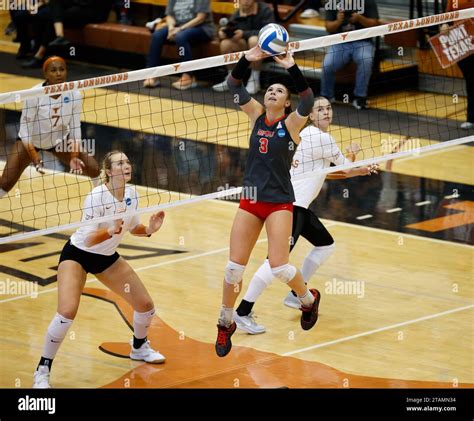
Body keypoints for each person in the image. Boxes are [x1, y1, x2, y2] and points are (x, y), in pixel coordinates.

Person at [233, 96, 379, 333]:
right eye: (320, 109)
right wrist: (354, 158)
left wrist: (357, 170)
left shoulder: (305, 135)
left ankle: (296, 294)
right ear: (310, 115)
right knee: (274, 263)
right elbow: (343, 168)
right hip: (291, 207)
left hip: (297, 207)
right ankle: (242, 311)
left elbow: (325, 172)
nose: (326, 112)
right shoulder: (323, 138)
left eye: (329, 108)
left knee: (325, 244)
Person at [215, 46, 318, 358]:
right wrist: (248, 57)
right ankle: (225, 322)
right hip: (251, 199)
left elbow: (309, 100)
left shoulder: (291, 125)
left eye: (279, 91)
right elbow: (234, 84)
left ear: (286, 103)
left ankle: (308, 299)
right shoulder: (256, 115)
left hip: (279, 202)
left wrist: (292, 67)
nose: (273, 92)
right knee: (233, 268)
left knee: (280, 266)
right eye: (270, 89)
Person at [33, 151, 166, 388]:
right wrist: (110, 231)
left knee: (146, 306)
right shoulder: (96, 197)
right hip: (78, 255)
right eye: (119, 163)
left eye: (127, 161)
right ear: (108, 171)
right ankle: (42, 369)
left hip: (105, 258)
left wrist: (150, 229)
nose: (126, 165)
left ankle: (138, 347)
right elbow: (88, 239)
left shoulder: (132, 195)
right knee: (67, 312)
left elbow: (134, 227)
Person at [0, 56, 100, 199]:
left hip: (59, 141)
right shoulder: (34, 94)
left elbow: (75, 129)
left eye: (62, 69)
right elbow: (25, 131)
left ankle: (102, 204)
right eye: (53, 70)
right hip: (30, 142)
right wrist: (34, 156)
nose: (58, 73)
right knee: (6, 183)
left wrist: (73, 157)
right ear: (45, 74)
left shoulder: (75, 94)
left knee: (94, 168)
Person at [143, 0, 215, 90]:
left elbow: (201, 18)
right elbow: (169, 15)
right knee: (157, 35)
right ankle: (153, 74)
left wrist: (180, 29)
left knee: (181, 37)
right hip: (178, 27)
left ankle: (188, 76)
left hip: (202, 28)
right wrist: (171, 29)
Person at [321, 0, 379, 110]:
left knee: (365, 60)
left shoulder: (368, 2)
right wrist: (338, 21)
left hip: (363, 41)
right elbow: (328, 27)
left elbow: (375, 24)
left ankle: (360, 97)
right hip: (340, 42)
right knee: (327, 64)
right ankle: (327, 96)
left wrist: (359, 18)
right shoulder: (333, 3)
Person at [212, 0, 274, 94]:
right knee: (225, 44)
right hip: (245, 47)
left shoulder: (265, 10)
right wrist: (223, 32)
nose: (246, 1)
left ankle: (254, 79)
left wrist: (243, 34)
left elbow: (269, 31)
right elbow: (231, 27)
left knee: (253, 40)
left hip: (265, 48)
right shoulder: (238, 12)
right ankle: (231, 78)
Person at [442, 0, 473, 130]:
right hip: (462, 45)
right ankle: (472, 119)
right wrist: (444, 25)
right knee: (471, 80)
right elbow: (448, 17)